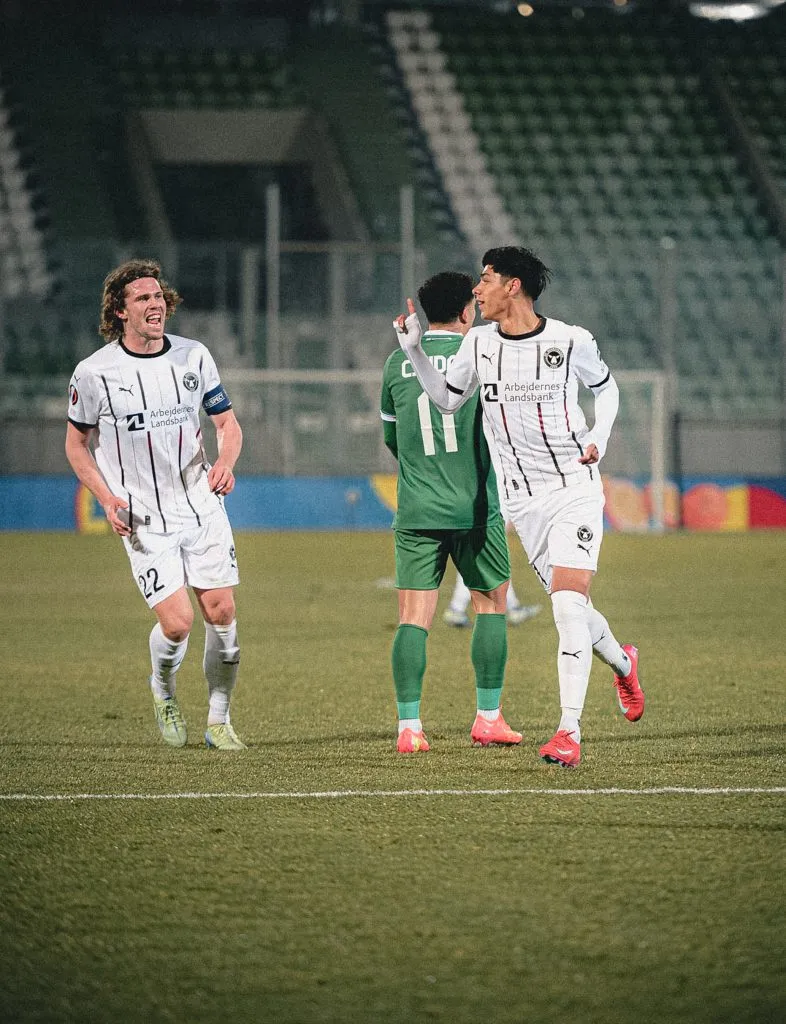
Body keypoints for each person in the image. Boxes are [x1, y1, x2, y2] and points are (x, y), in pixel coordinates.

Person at [394, 246, 644, 768]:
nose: (476, 291)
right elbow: (447, 399)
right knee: (572, 606)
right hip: (524, 502)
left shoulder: (570, 340)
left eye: (485, 280)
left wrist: (599, 434)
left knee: (567, 605)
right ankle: (623, 663)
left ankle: (568, 733)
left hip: (574, 487)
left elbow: (607, 387)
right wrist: (415, 350)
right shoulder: (479, 344)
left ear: (513, 286)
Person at [65, 258, 246, 751]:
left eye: (158, 295)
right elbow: (76, 445)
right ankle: (163, 688)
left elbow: (227, 425)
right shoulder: (95, 373)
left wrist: (226, 462)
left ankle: (218, 719)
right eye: (142, 297)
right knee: (178, 622)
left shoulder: (194, 357)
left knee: (222, 611)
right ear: (120, 312)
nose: (155, 304)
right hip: (144, 516)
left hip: (201, 505)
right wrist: (106, 498)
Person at [381, 270, 522, 753]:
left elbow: (391, 438)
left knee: (412, 617)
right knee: (490, 604)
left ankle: (409, 728)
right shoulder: (483, 356)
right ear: (467, 310)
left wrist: (423, 472)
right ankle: (487, 718)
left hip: (418, 506)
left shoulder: (396, 363)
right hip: (476, 505)